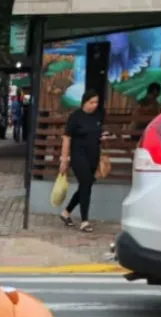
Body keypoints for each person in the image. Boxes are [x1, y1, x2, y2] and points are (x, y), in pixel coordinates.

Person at [59, 89, 105, 233]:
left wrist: (103, 137)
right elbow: (67, 138)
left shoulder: (97, 116)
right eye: (91, 102)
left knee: (86, 186)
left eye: (96, 102)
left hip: (93, 156)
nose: (94, 105)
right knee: (85, 184)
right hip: (78, 156)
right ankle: (85, 221)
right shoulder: (75, 117)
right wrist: (64, 159)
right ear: (84, 102)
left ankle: (66, 212)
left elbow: (97, 134)